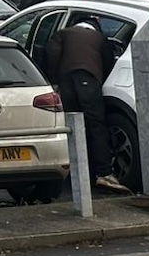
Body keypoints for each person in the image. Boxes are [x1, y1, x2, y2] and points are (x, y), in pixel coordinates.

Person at [45, 15, 129, 194]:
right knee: (96, 125)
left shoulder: (62, 33)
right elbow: (108, 61)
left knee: (72, 125)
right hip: (88, 81)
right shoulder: (99, 38)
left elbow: (51, 54)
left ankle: (74, 169)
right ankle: (103, 173)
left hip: (66, 82)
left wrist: (53, 81)